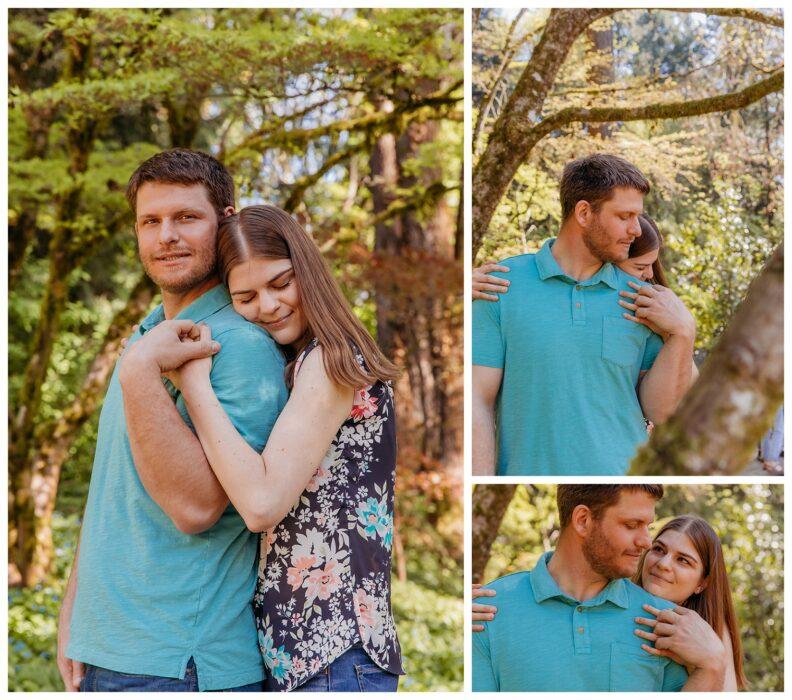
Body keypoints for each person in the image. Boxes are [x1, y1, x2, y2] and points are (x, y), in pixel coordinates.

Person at [135, 205, 405, 691]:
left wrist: (193, 384)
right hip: (298, 655)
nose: (269, 305)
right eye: (246, 296)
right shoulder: (299, 364)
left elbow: (261, 505)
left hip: (334, 654)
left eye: (281, 283)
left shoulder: (329, 363)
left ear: (308, 270)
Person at [57, 149, 289, 692]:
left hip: (178, 661)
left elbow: (196, 508)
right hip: (108, 648)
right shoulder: (148, 332)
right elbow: (113, 487)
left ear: (226, 220)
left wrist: (139, 373)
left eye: (186, 217)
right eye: (150, 221)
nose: (167, 236)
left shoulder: (238, 344)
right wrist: (75, 610)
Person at [472, 154, 697, 476]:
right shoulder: (499, 286)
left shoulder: (643, 299)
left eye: (638, 217)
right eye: (624, 216)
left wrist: (684, 332)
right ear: (584, 212)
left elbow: (662, 412)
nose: (636, 230)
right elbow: (477, 401)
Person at [471, 485, 726, 692]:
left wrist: (713, 665)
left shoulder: (666, 623)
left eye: (647, 526)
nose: (646, 542)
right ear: (583, 520)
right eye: (631, 525)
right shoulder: (488, 610)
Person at [474, 213, 698, 435]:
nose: (649, 275)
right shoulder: (523, 289)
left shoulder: (651, 306)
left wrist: (678, 332)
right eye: (640, 267)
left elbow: (685, 390)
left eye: (651, 265)